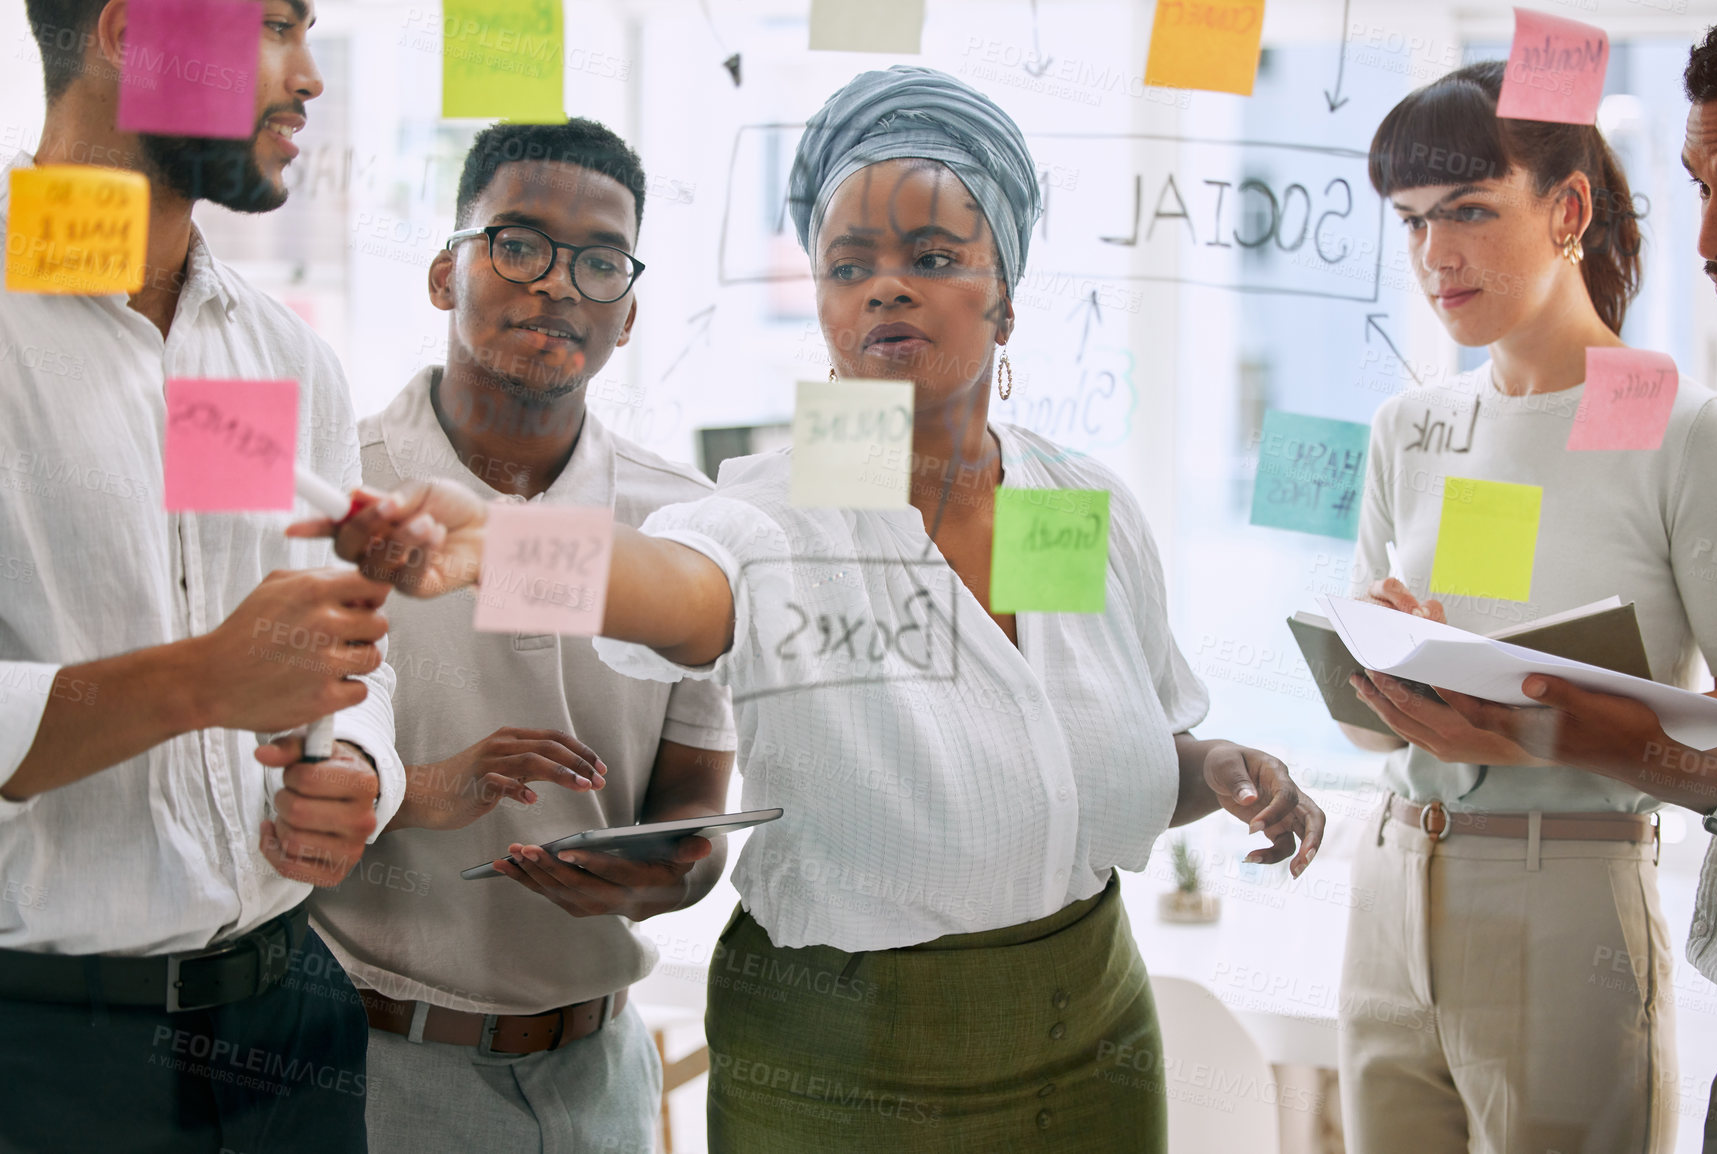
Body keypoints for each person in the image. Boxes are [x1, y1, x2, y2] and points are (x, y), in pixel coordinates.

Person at [319, 65, 1326, 1153]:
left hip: (1090, 1030)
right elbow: (687, 588)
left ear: (1008, 295)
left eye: (933, 259)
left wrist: (1214, 766)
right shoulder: (798, 492)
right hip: (846, 1061)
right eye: (851, 265)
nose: (886, 288)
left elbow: (1067, 759)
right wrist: (502, 549)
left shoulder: (1066, 504)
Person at [0, 3, 548, 1150]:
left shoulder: (280, 354)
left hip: (289, 1020)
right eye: (270, 25)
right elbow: (230, 662)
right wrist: (201, 680)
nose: (307, 78)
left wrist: (358, 763)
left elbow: (346, 644)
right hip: (41, 1051)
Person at [309, 118, 737, 1154]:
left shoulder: (684, 525)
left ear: (628, 315)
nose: (556, 283)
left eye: (598, 261)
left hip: (602, 1078)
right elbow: (243, 785)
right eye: (516, 242)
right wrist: (418, 785)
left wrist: (667, 872)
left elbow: (696, 802)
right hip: (373, 1067)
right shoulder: (335, 490)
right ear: (442, 274)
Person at [1333, 59, 1717, 1154]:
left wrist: (1531, 726)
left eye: (1468, 210)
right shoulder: (1410, 425)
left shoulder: (1678, 423)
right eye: (1413, 221)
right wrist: (1389, 672)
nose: (1434, 255)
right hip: (1390, 877)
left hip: (1569, 889)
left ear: (1568, 209)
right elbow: (1362, 723)